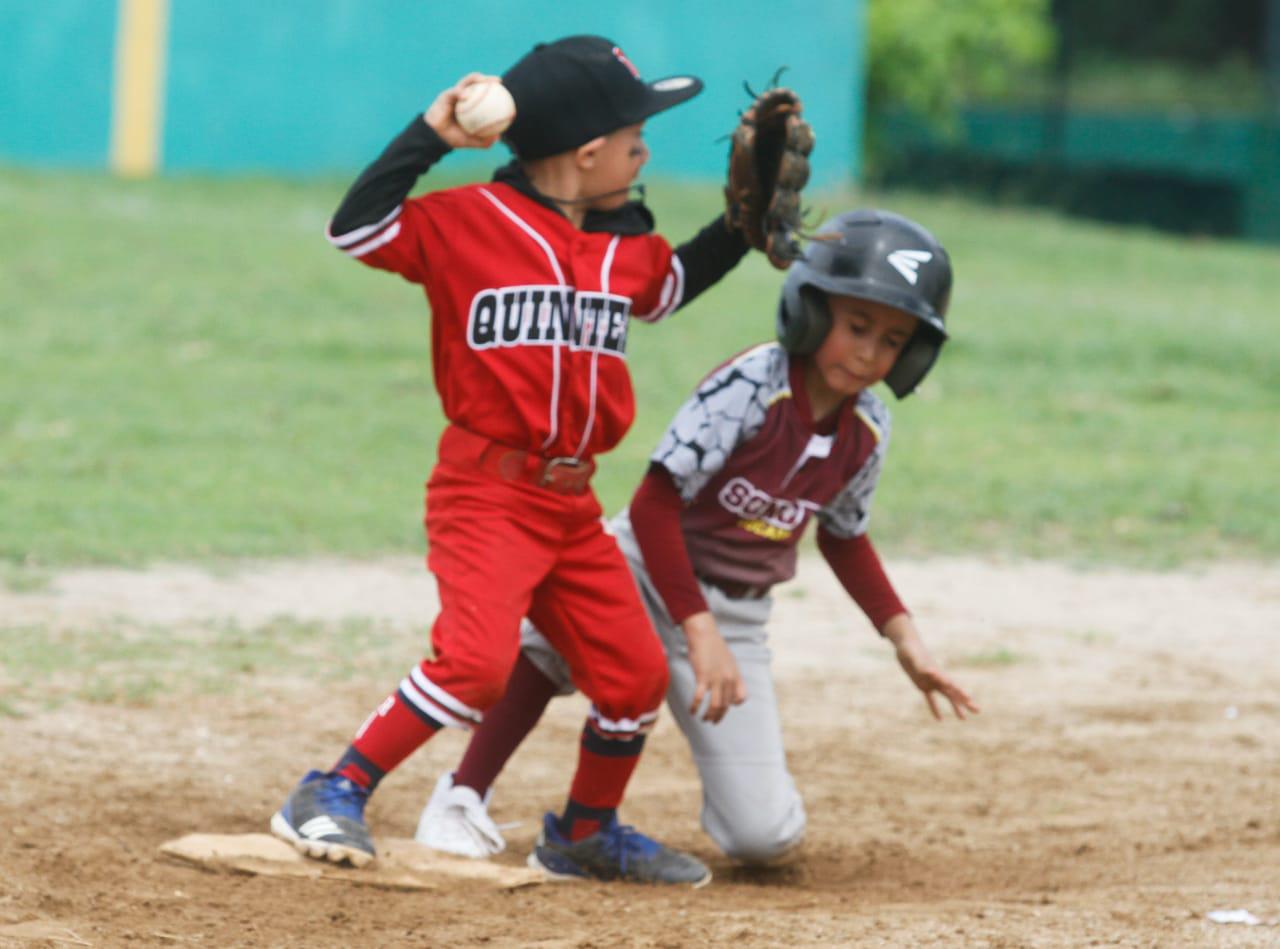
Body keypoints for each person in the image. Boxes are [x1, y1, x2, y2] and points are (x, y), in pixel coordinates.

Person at [270, 35, 757, 886]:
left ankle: (584, 831)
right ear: (587, 152)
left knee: (635, 674)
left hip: (572, 506)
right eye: (636, 135)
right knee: (474, 663)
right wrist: (430, 136)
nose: (646, 149)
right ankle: (332, 787)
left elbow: (673, 283)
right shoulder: (465, 224)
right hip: (485, 490)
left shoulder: (618, 245)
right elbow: (355, 229)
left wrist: (745, 225)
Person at [416, 210, 981, 867]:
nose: (868, 353)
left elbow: (845, 538)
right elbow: (655, 504)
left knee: (764, 838)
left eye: (892, 340)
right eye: (856, 327)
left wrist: (905, 638)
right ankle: (466, 792)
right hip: (647, 564)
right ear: (811, 310)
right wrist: (697, 626)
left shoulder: (870, 428)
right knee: (549, 645)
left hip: (739, 614)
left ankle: (610, 816)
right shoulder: (751, 384)